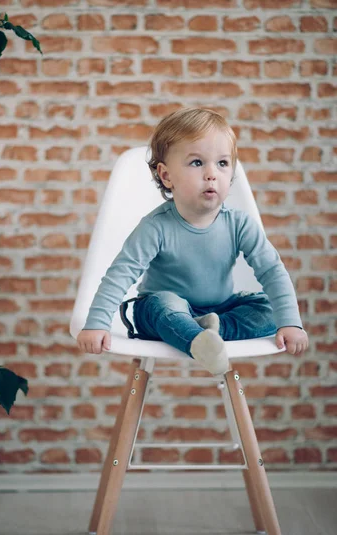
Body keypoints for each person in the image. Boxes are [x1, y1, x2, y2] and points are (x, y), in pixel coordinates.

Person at [77, 107, 308, 375]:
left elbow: (272, 271)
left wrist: (291, 322)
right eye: (197, 162)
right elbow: (120, 274)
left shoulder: (239, 223)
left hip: (219, 310)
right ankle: (198, 340)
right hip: (163, 307)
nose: (212, 173)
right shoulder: (156, 226)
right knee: (163, 306)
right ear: (166, 176)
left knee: (268, 309)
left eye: (222, 163)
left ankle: (208, 332)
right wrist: (96, 323)